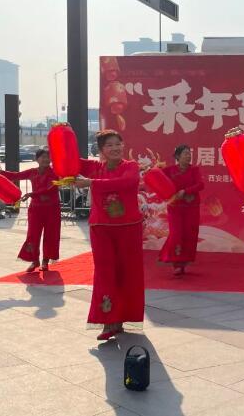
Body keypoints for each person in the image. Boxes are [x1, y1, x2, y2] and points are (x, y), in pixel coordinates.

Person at [73, 129, 144, 341]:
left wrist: (91, 183)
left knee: (127, 273)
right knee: (105, 273)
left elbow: (126, 183)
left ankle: (120, 319)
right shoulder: (95, 167)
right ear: (101, 150)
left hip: (128, 228)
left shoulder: (131, 166)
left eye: (117, 144)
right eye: (109, 145)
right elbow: (68, 160)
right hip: (101, 228)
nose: (115, 148)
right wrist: (62, 132)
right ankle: (108, 320)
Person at [0, 149, 60, 272]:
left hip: (52, 209)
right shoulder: (32, 172)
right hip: (35, 209)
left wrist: (31, 194)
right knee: (33, 235)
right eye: (43, 157)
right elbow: (16, 176)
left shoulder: (54, 173)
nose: (46, 159)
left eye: (48, 157)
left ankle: (45, 261)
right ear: (37, 159)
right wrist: (1, 172)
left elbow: (50, 189)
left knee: (51, 235)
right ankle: (34, 260)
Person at [158, 144, 204, 276]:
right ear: (178, 156)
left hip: (191, 207)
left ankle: (183, 262)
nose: (188, 156)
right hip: (175, 207)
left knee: (189, 234)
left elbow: (200, 185)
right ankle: (176, 263)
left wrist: (185, 191)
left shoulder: (194, 170)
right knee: (176, 234)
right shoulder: (170, 170)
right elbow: (157, 179)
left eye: (189, 153)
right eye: (185, 153)